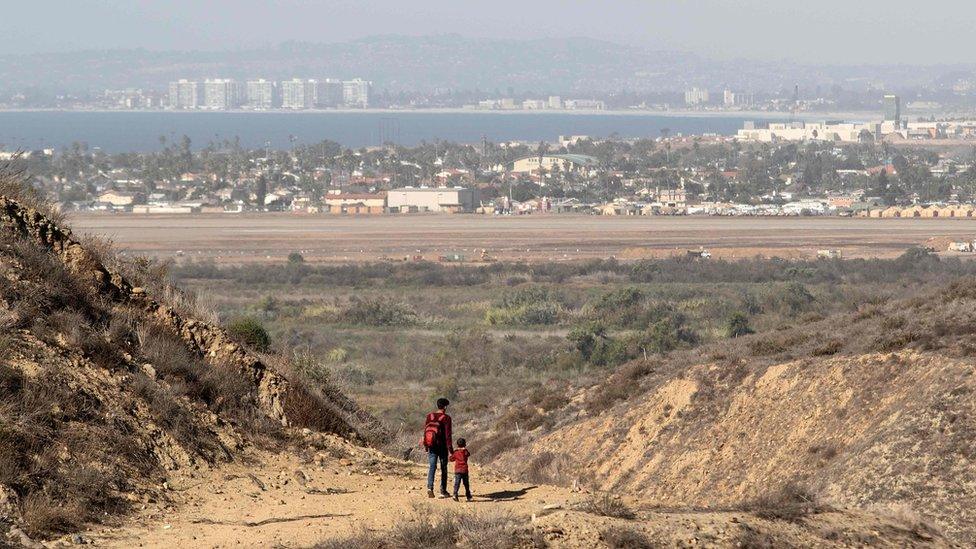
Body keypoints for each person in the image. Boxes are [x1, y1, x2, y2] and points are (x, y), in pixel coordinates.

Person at [422, 397, 453, 498]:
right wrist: (451, 450)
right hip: (442, 447)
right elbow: (448, 435)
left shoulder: (429, 416)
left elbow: (425, 431)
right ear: (445, 407)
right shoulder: (446, 418)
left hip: (431, 445)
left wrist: (426, 445)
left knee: (432, 467)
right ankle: (443, 490)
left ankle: (430, 487)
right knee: (443, 468)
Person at [449, 438, 471, 502]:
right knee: (466, 484)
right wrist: (464, 449)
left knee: (457, 483)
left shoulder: (456, 452)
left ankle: (455, 494)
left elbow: (451, 459)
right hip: (464, 470)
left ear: (457, 444)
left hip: (458, 470)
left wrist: (452, 454)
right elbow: (468, 454)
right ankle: (468, 496)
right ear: (465, 444)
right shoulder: (465, 451)